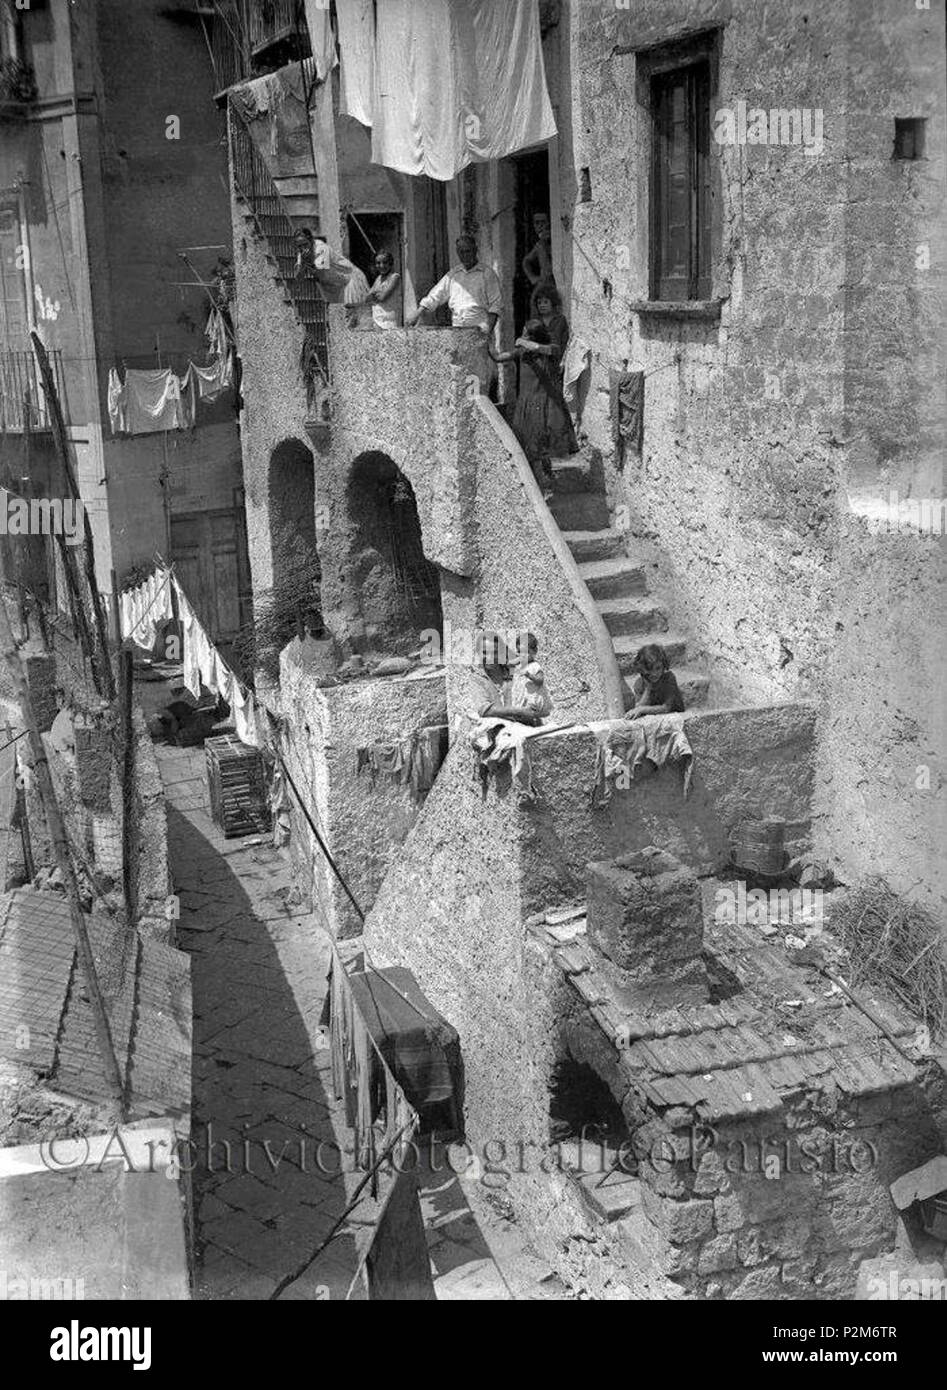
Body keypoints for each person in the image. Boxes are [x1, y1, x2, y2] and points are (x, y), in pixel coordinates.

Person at [493, 316, 578, 496]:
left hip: (547, 404)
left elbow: (542, 348)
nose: (523, 336)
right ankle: (541, 485)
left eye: (526, 333)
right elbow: (499, 357)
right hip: (528, 406)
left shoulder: (552, 350)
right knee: (532, 448)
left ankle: (544, 481)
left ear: (534, 335)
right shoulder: (522, 352)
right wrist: (486, 344)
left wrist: (524, 342)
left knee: (541, 446)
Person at [406, 234, 501, 338]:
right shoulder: (453, 275)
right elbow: (436, 294)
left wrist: (488, 330)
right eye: (461, 252)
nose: (465, 256)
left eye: (468, 251)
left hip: (479, 329)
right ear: (457, 253)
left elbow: (496, 304)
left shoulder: (487, 274)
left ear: (475, 250)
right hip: (457, 329)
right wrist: (418, 313)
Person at [293, 227, 370, 329]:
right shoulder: (302, 251)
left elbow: (321, 274)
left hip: (351, 280)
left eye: (305, 244)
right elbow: (298, 277)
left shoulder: (321, 249)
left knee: (355, 323)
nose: (303, 248)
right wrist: (302, 264)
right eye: (299, 246)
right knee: (339, 323)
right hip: (336, 284)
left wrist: (307, 263)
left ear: (310, 240)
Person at [627, 644, 685, 718]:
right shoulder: (639, 683)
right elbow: (638, 707)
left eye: (658, 668)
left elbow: (667, 708)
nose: (654, 674)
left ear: (664, 665)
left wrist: (642, 709)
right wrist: (648, 688)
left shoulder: (669, 678)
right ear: (642, 670)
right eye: (649, 670)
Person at [510, 632, 553, 722]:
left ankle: (534, 724)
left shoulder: (535, 666)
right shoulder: (521, 664)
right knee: (520, 714)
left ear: (535, 651)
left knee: (530, 716)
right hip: (522, 699)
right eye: (519, 652)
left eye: (526, 652)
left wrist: (529, 675)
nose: (522, 655)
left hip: (532, 701)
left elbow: (540, 680)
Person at [365, 250, 402, 329]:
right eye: (378, 263)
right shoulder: (378, 278)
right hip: (377, 320)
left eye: (385, 262)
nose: (381, 266)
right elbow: (367, 298)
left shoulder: (395, 277)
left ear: (390, 264)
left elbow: (382, 297)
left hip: (389, 322)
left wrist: (375, 293)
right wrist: (377, 293)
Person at [522, 212, 554, 289]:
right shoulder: (539, 245)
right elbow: (526, 261)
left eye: (543, 222)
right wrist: (533, 278)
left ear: (549, 223)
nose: (540, 226)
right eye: (537, 223)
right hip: (545, 286)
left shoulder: (555, 241)